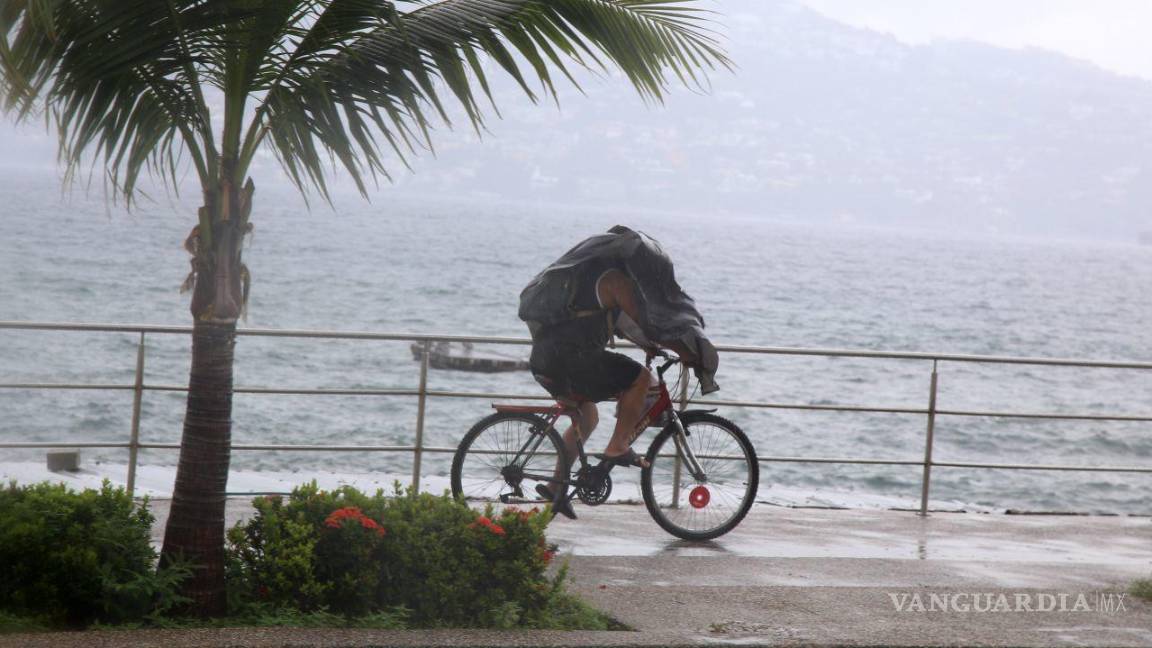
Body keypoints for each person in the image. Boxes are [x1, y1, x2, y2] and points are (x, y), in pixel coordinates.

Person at [521, 227, 714, 519]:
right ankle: (618, 445)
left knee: (587, 417)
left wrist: (648, 346)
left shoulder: (588, 280)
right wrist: (685, 353)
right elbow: (647, 321)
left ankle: (555, 487)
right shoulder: (614, 281)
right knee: (641, 379)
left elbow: (627, 326)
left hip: (547, 358)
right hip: (575, 359)